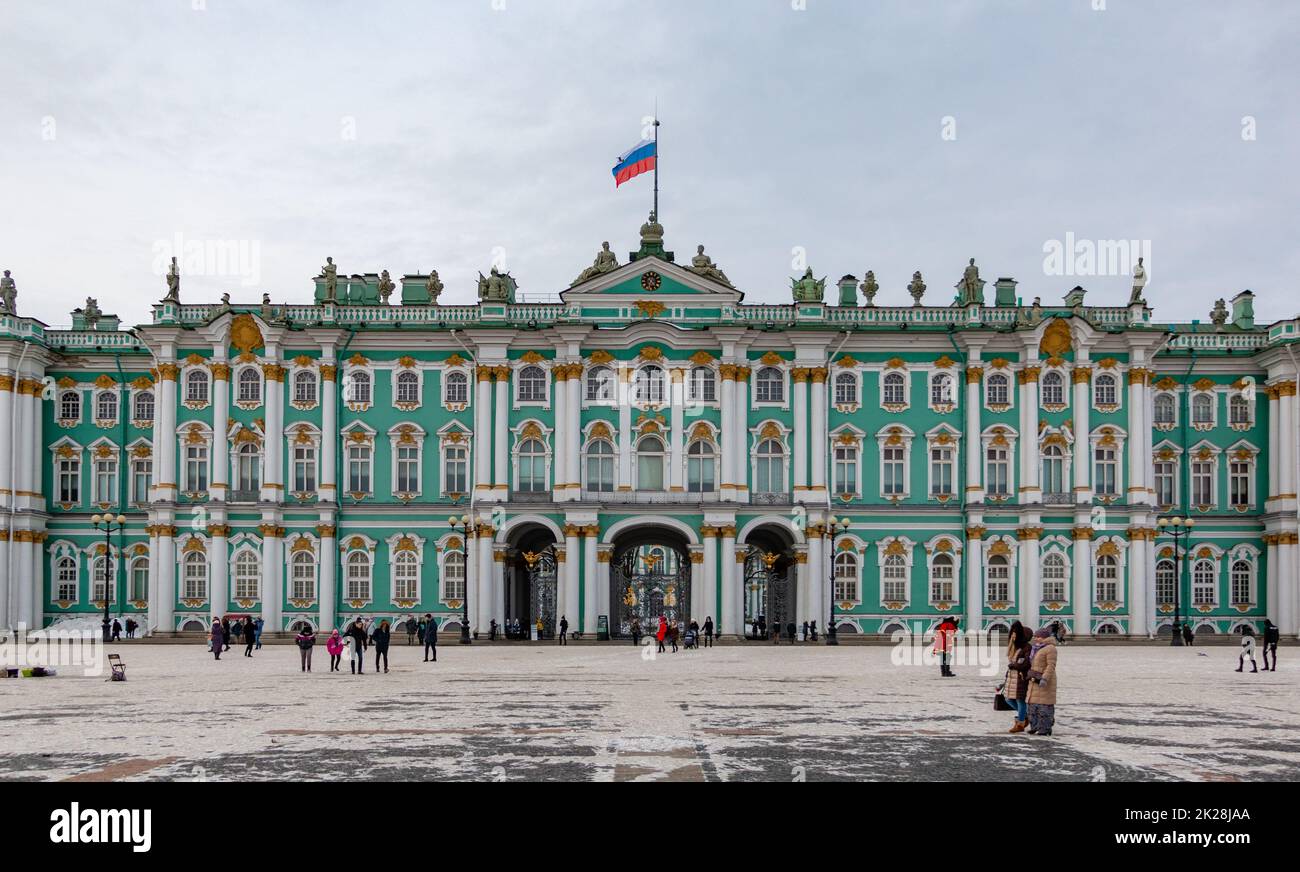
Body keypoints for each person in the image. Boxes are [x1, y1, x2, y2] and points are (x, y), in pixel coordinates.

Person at [1025, 626, 1059, 736]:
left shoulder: (1050, 648)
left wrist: (1045, 678)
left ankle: (1045, 728)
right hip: (1034, 679)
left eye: (1038, 637)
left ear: (1044, 637)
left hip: (1044, 680)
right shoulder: (1036, 647)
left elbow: (1051, 665)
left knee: (1044, 706)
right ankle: (1035, 726)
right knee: (1032, 705)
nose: (1035, 638)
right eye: (1035, 636)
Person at [1003, 621, 1032, 733]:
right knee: (1008, 699)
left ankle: (1020, 723)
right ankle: (1027, 716)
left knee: (1020, 700)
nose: (1013, 637)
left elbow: (1026, 664)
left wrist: (1014, 665)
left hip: (1021, 678)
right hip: (1012, 678)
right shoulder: (1016, 647)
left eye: (1016, 635)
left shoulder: (1027, 648)